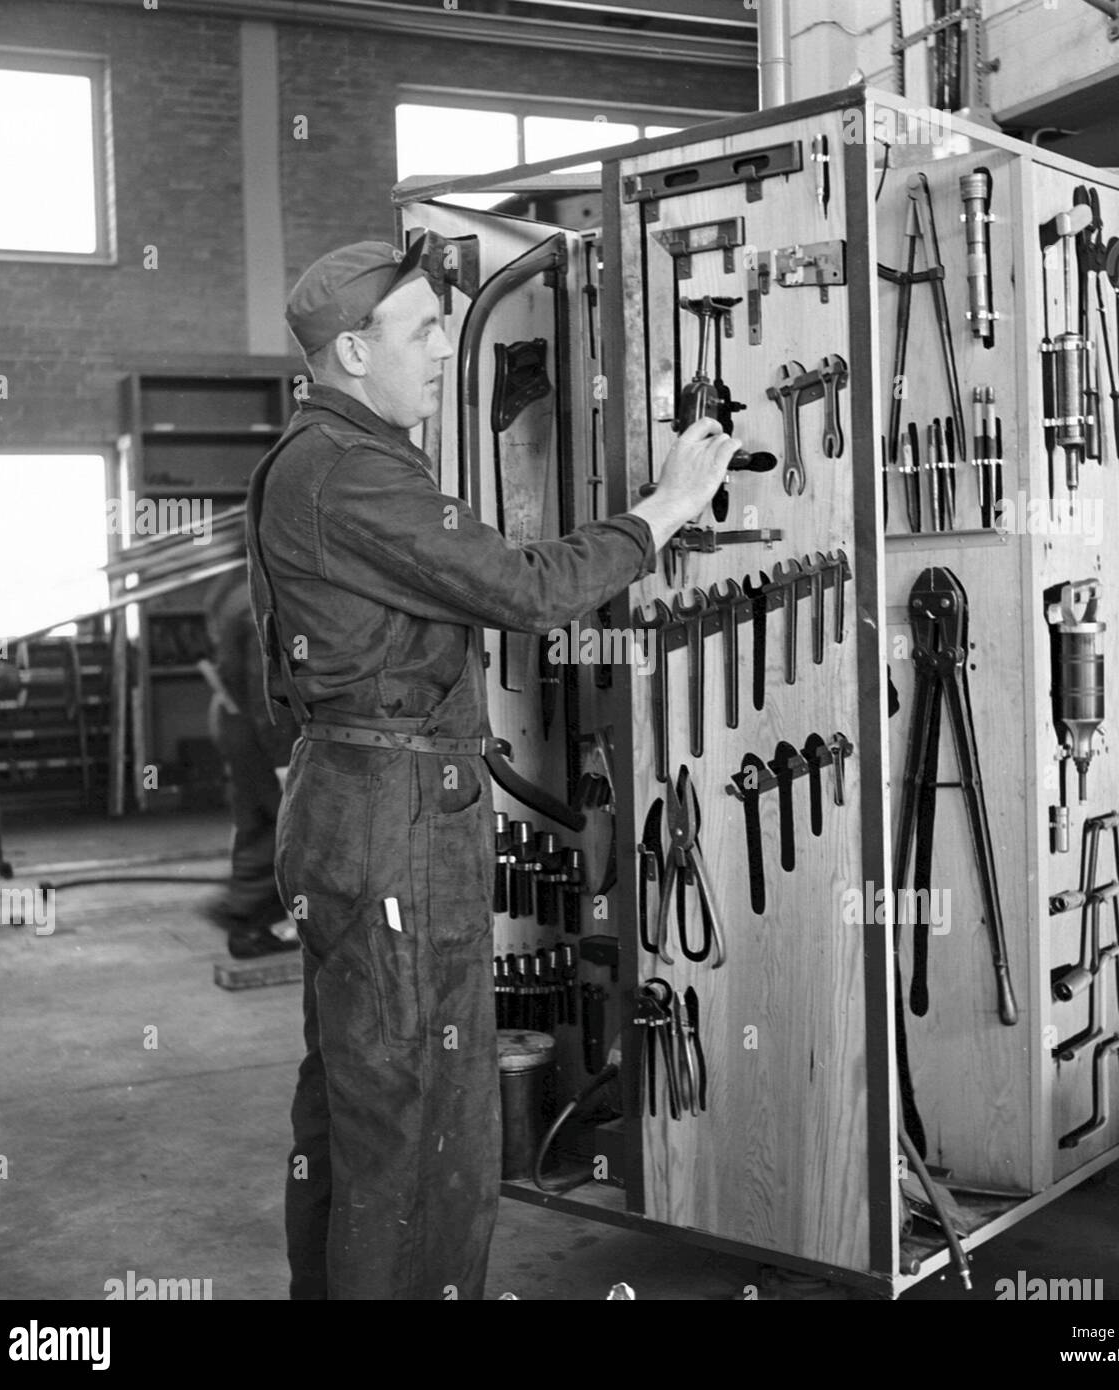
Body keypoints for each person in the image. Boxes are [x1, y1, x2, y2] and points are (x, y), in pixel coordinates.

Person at [246, 234, 733, 1300]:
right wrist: (662, 511)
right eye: (422, 331)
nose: (442, 350)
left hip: (363, 803)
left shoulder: (329, 455)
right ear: (350, 352)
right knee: (421, 1124)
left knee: (355, 1104)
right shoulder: (348, 470)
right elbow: (516, 587)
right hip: (391, 825)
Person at [201, 571, 299, 959]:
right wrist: (280, 758)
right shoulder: (262, 601)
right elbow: (264, 687)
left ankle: (246, 925)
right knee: (281, 825)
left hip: (237, 723)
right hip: (258, 732)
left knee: (256, 823)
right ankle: (246, 918)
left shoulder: (237, 590)